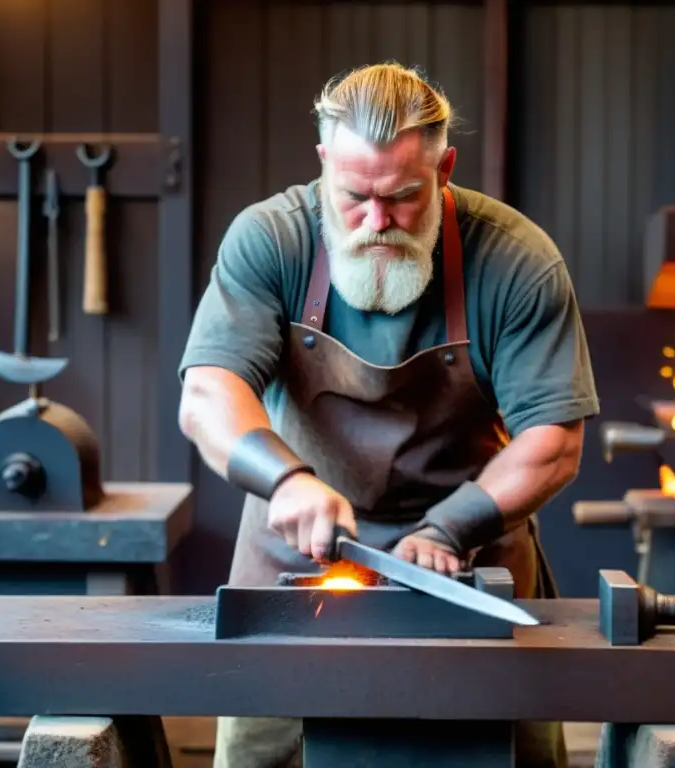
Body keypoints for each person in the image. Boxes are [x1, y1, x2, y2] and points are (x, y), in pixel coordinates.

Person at [178, 62, 599, 768]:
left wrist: (452, 526)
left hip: (471, 560)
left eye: (403, 198)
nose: (376, 222)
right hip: (296, 562)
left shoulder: (517, 260)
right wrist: (285, 482)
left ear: (444, 167)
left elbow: (554, 442)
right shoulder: (271, 240)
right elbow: (208, 394)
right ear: (323, 164)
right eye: (353, 197)